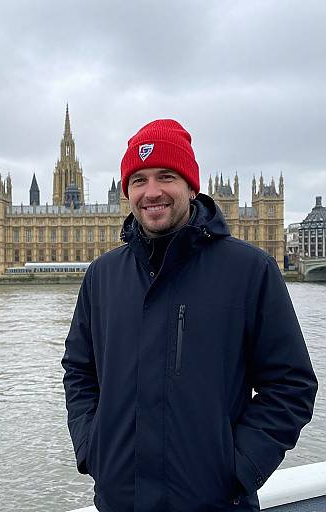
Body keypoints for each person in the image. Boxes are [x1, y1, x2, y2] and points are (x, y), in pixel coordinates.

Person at [61, 119, 317, 512]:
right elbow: (78, 371)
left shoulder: (250, 270)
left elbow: (292, 386)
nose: (152, 192)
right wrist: (92, 448)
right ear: (126, 191)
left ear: (192, 186)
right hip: (120, 501)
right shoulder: (102, 275)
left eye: (166, 176)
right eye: (139, 180)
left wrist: (238, 468)